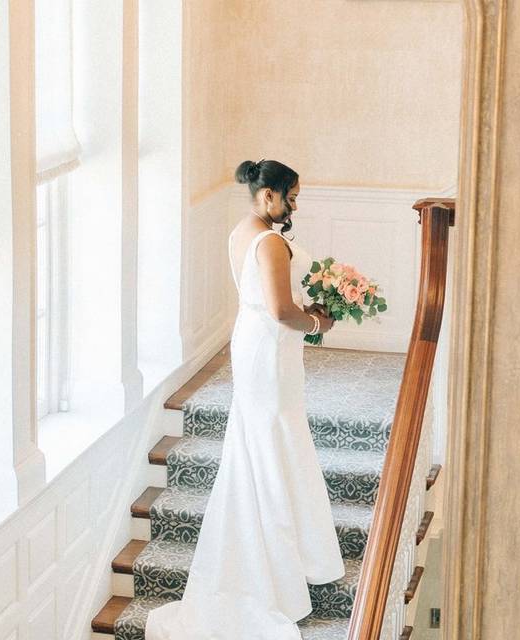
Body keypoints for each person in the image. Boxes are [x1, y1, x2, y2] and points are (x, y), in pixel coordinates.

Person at [144, 159, 345, 639]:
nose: (295, 204)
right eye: (291, 196)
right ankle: (275, 566)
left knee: (263, 437)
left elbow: (265, 304)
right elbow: (281, 310)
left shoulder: (242, 229)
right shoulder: (271, 241)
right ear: (268, 195)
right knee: (274, 435)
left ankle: (277, 548)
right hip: (269, 350)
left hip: (253, 342)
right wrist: (319, 322)